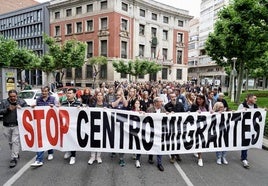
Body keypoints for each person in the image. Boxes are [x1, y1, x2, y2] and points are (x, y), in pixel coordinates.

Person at [31, 86, 58, 167]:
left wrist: (54, 106)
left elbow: (59, 107)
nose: (44, 93)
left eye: (45, 91)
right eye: (42, 91)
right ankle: (39, 160)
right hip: (41, 123)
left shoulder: (53, 98)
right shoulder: (38, 99)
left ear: (48, 92)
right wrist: (34, 107)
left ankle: (50, 152)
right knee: (41, 140)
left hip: (51, 122)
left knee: (49, 138)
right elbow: (37, 109)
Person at [0, 89, 28, 168]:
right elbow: (0, 111)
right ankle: (15, 152)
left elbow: (27, 110)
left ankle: (14, 158)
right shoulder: (4, 102)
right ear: (8, 96)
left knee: (15, 141)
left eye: (14, 96)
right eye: (11, 96)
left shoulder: (21, 101)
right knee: (10, 142)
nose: (13, 98)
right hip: (6, 125)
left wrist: (22, 108)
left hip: (16, 125)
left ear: (17, 96)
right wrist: (8, 109)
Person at [61, 88, 81, 165]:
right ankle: (68, 151)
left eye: (70, 93)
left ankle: (73, 156)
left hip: (74, 125)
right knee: (66, 139)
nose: (68, 94)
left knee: (73, 140)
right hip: (65, 125)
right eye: (67, 93)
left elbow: (83, 113)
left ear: (74, 94)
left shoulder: (78, 103)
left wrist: (80, 109)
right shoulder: (63, 103)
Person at [237, 94, 258, 169]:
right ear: (249, 98)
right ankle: (244, 158)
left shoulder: (255, 106)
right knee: (245, 141)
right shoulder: (242, 105)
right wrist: (242, 111)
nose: (256, 100)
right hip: (244, 127)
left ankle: (243, 156)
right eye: (254, 98)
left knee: (247, 141)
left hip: (251, 127)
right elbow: (237, 115)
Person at [147, 97, 167, 171]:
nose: (161, 103)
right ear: (155, 102)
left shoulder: (163, 109)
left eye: (162, 102)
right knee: (151, 143)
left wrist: (168, 114)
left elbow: (166, 116)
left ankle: (159, 163)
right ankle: (150, 156)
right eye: (160, 102)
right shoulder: (150, 109)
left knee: (159, 146)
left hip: (160, 130)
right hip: (152, 130)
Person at [164, 93, 185, 163]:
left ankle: (177, 154)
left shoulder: (180, 105)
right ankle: (172, 156)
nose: (173, 98)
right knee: (172, 141)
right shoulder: (167, 106)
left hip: (178, 125)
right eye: (172, 97)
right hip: (171, 126)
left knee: (178, 140)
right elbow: (164, 115)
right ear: (170, 98)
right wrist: (168, 114)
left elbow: (183, 114)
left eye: (174, 97)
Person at [88, 92, 107, 165]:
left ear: (103, 97)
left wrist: (107, 109)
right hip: (93, 125)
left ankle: (98, 156)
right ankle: (92, 156)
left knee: (99, 141)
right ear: (96, 97)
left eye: (101, 95)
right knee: (93, 141)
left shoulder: (105, 105)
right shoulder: (93, 104)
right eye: (98, 95)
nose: (99, 96)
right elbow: (87, 109)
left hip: (102, 125)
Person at [190, 94, 209, 167]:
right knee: (198, 140)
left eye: (200, 99)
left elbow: (211, 112)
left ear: (203, 100)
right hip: (196, 126)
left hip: (204, 126)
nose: (199, 100)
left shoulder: (206, 106)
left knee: (201, 140)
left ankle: (198, 154)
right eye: (197, 99)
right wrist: (195, 112)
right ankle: (200, 157)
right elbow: (189, 114)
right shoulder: (194, 106)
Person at [111, 89, 128, 167]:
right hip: (114, 123)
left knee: (121, 142)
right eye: (117, 95)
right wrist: (119, 98)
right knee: (114, 139)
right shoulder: (114, 99)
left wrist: (123, 96)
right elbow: (114, 105)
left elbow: (126, 105)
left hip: (123, 124)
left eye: (120, 95)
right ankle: (113, 150)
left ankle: (121, 158)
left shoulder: (124, 99)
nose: (119, 96)